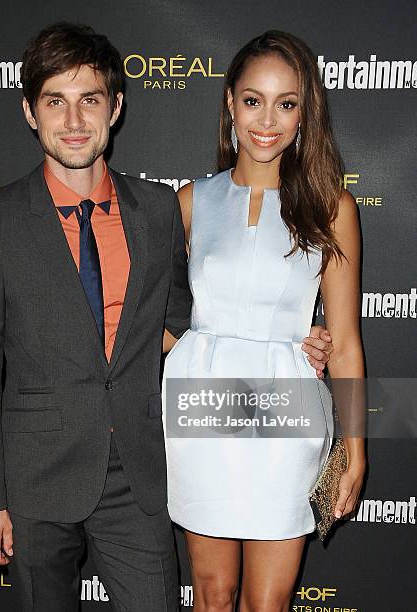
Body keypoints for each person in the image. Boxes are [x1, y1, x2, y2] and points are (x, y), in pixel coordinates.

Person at [0, 22, 333, 612]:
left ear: (116, 107)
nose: (74, 121)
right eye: (56, 101)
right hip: (34, 479)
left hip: (142, 473)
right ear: (30, 112)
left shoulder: (157, 210)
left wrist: (291, 340)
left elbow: (189, 320)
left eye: (90, 100)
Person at [162, 31, 366, 612]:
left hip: (285, 416)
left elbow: (347, 343)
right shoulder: (190, 201)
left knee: (266, 605)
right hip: (200, 410)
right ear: (230, 102)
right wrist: (184, 350)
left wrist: (355, 448)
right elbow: (148, 314)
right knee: (212, 594)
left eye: (286, 102)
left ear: (306, 112)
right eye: (253, 100)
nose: (267, 121)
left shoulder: (332, 207)